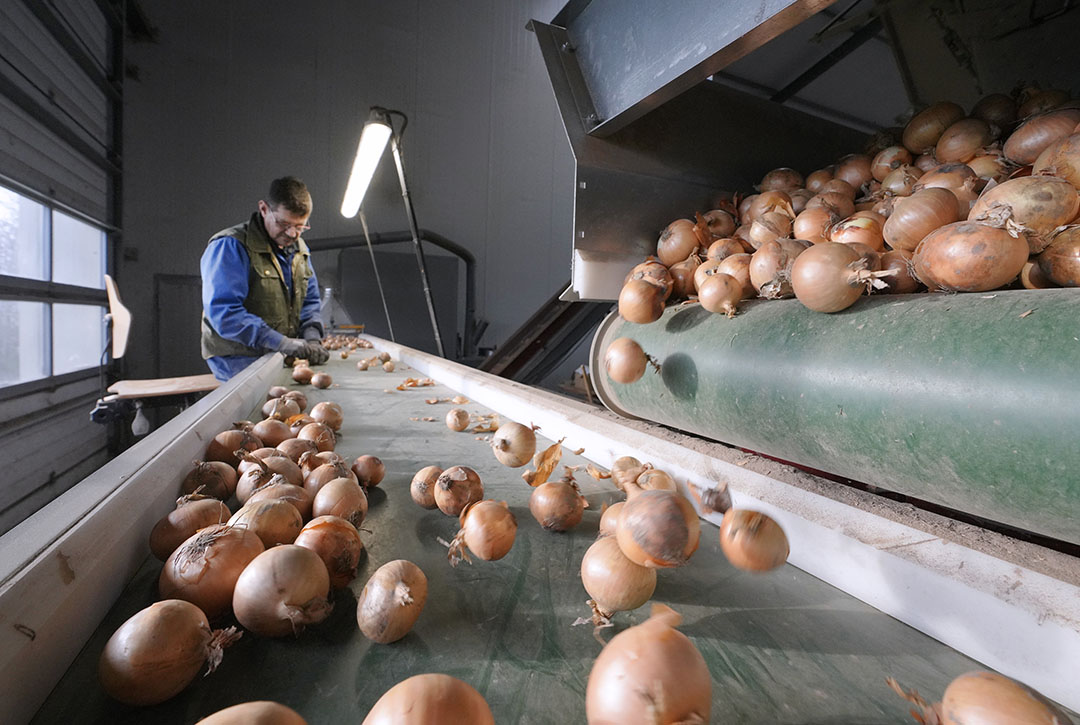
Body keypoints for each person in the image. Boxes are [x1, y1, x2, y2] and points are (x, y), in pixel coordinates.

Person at [200, 176, 330, 381]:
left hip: (277, 354)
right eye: (283, 223)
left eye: (300, 226)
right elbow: (224, 313)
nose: (292, 233)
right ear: (263, 209)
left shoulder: (299, 250)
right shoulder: (231, 246)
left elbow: (310, 302)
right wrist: (280, 342)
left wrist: (312, 336)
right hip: (238, 359)